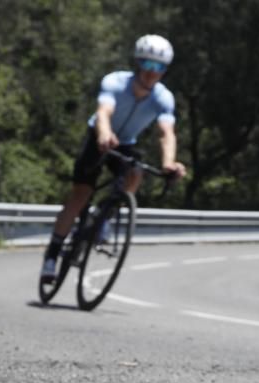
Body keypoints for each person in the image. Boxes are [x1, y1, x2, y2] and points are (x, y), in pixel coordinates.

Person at [41, 34, 187, 282]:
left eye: (160, 67)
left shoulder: (163, 98)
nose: (153, 72)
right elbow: (103, 112)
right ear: (138, 63)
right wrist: (104, 134)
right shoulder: (115, 82)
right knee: (81, 194)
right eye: (148, 65)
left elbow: (166, 133)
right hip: (98, 137)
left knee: (134, 174)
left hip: (126, 143)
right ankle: (52, 256)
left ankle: (104, 218)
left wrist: (168, 163)